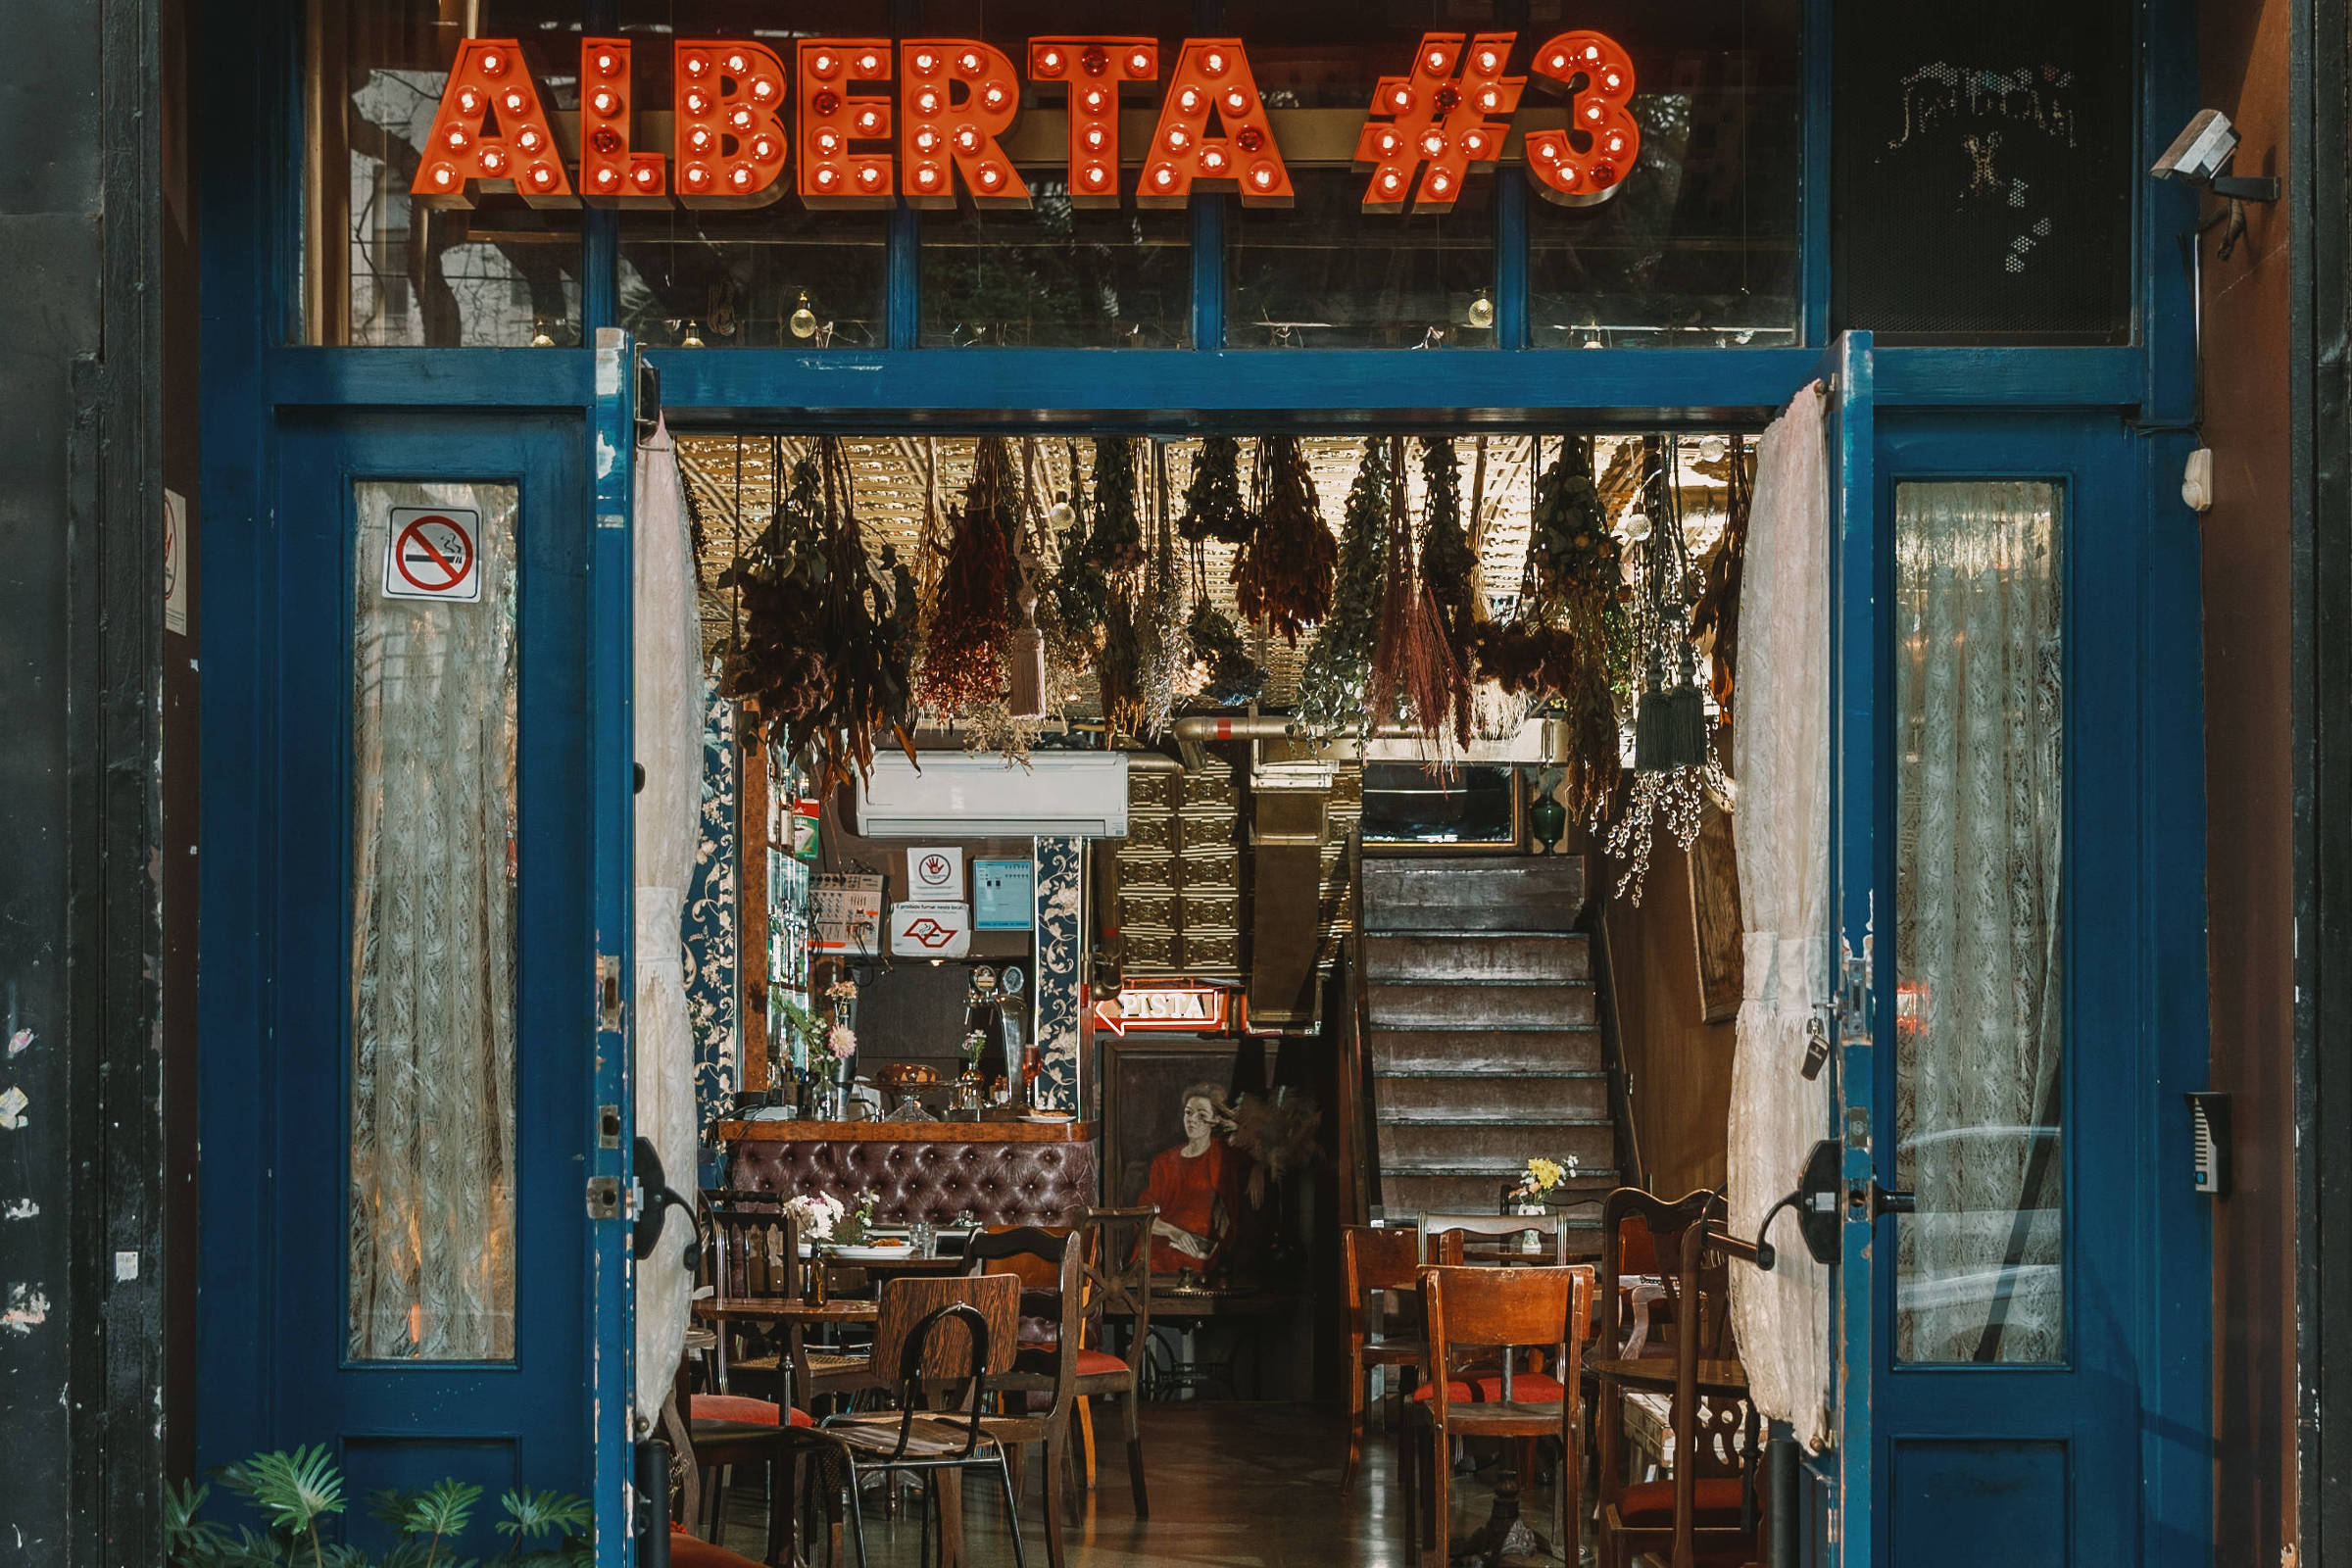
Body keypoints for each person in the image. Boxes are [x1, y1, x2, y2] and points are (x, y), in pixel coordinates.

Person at [1139, 1083, 1248, 1277]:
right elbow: (1143, 1215)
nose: (1192, 1120)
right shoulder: (1164, 1161)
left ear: (1215, 1121)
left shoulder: (1225, 1154)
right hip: (1166, 1240)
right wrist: (1175, 1233)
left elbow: (1255, 1149)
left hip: (1205, 1249)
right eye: (1188, 1113)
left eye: (1201, 1116)